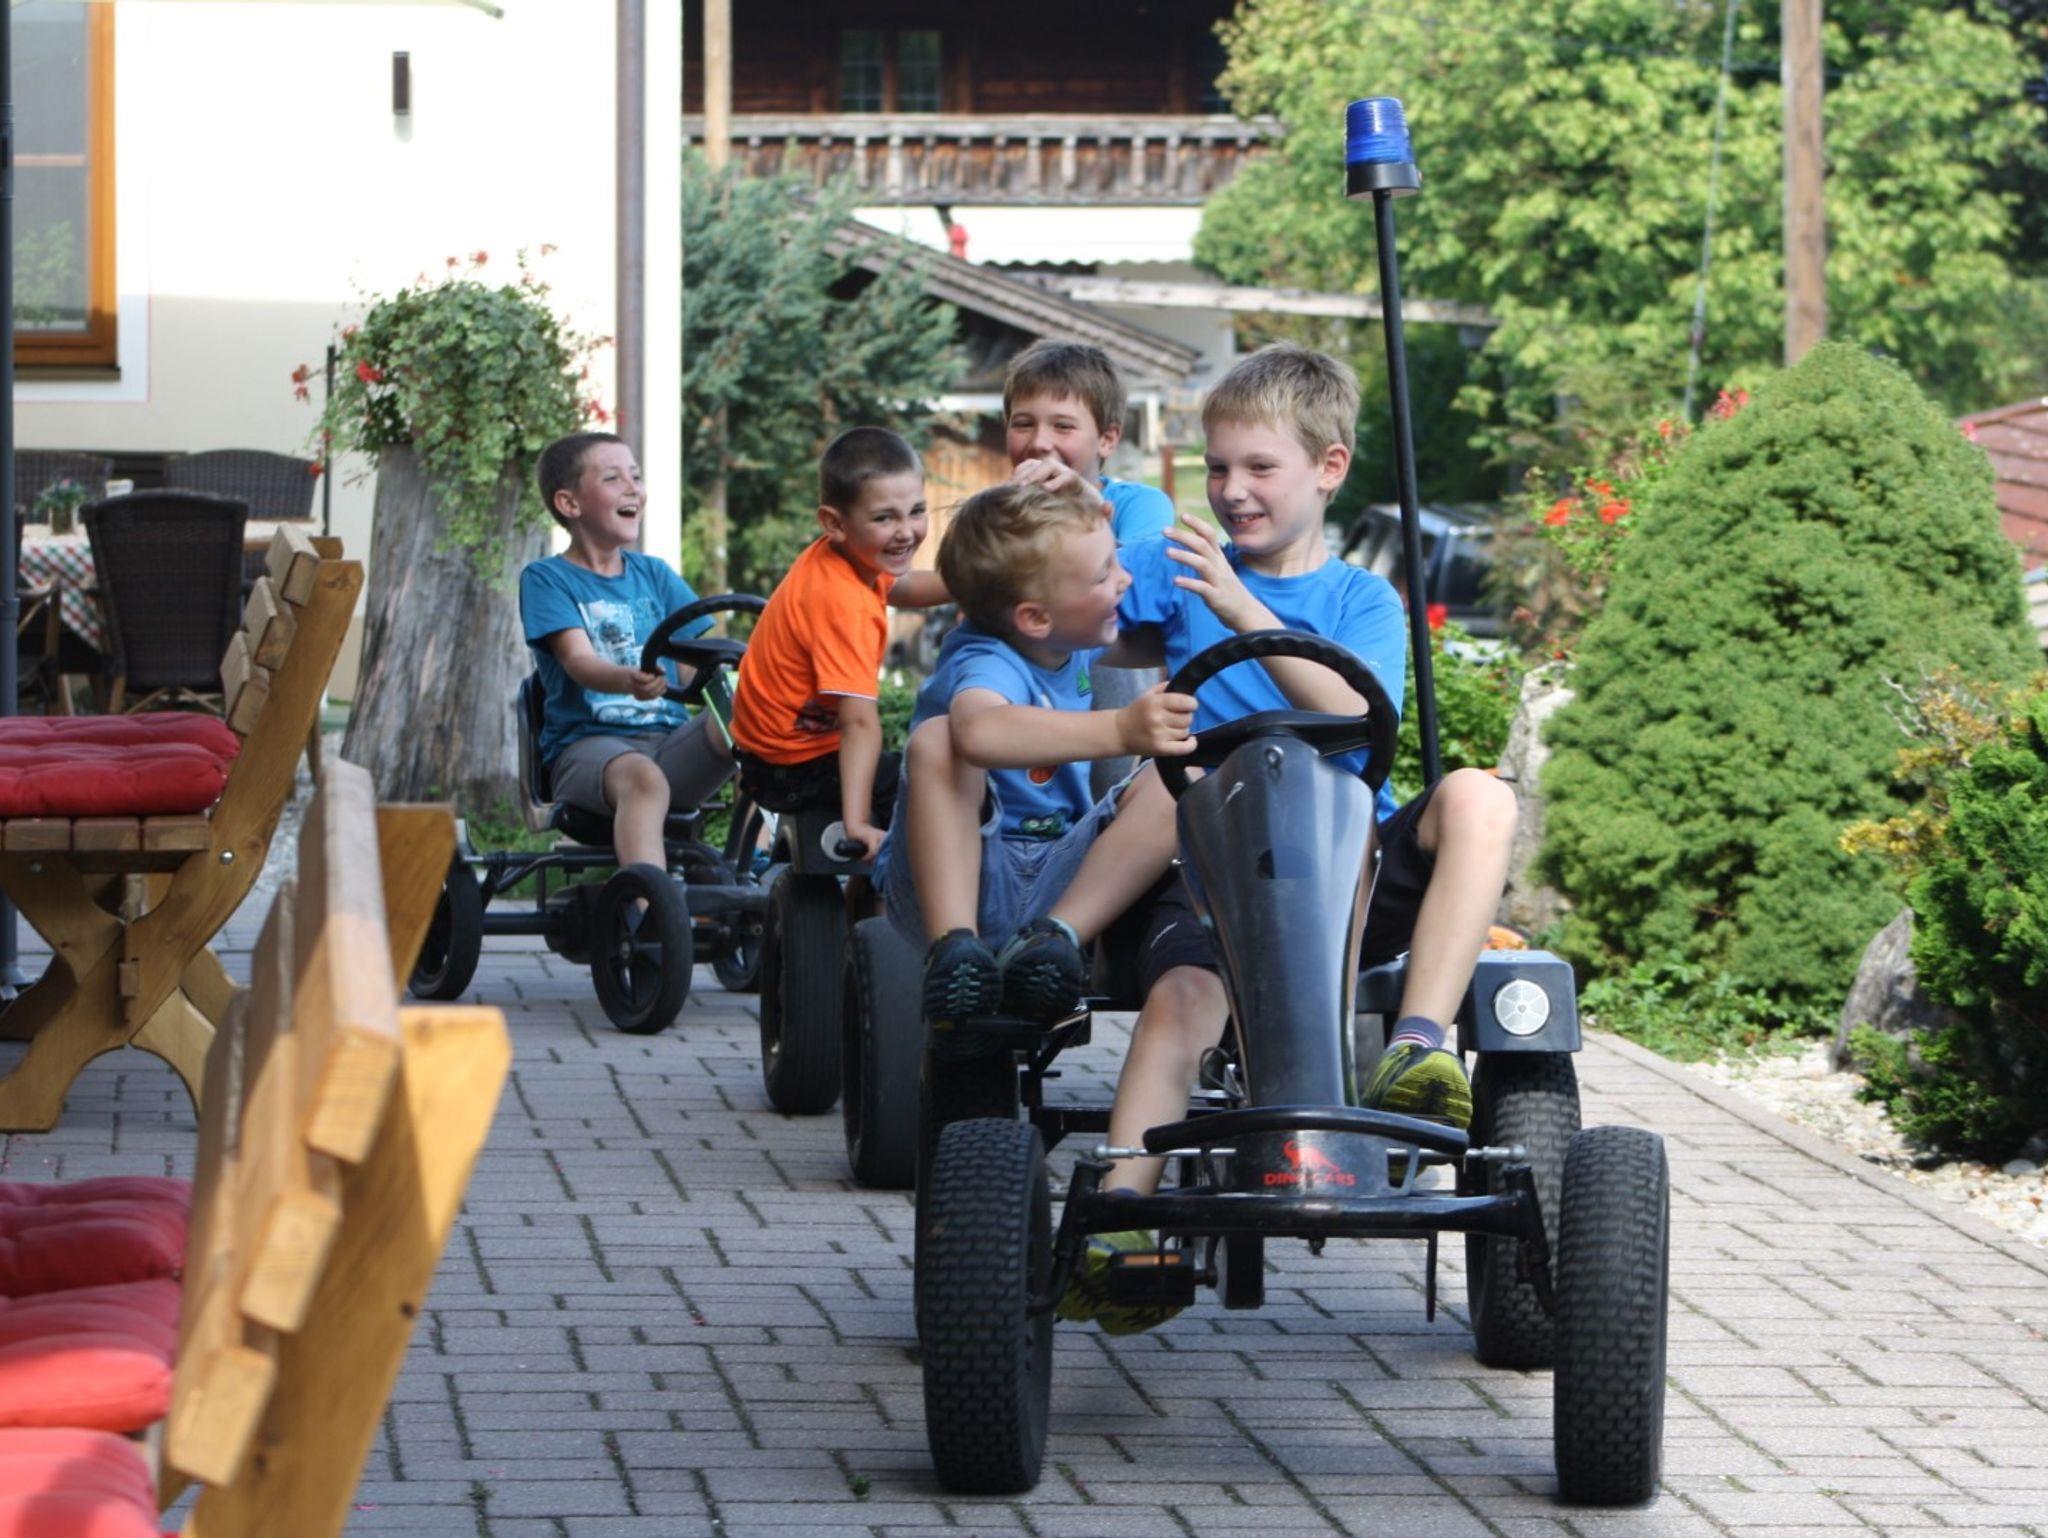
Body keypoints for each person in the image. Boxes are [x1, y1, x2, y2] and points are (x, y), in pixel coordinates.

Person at [1059, 342, 1519, 1333]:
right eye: (1218, 467)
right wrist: (1068, 512)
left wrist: (1238, 606)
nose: (1232, 491)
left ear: (1328, 467)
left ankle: (1416, 1047)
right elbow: (1068, 608)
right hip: (1213, 869)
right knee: (1179, 999)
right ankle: (1124, 1214)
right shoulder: (1179, 571)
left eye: (1259, 467)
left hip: (1348, 870)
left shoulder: (1359, 599)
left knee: (1481, 797)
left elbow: (1354, 710)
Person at [875, 478, 1198, 1034]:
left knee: (1181, 777)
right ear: (1036, 618)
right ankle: (955, 952)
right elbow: (979, 730)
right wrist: (1121, 728)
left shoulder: (1069, 643)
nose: (1124, 579)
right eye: (1104, 574)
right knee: (939, 740)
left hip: (1056, 869)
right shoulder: (987, 658)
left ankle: (1054, 942)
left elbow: (1179, 644)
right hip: (960, 876)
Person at [519, 432, 734, 876]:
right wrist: (626, 680)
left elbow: (697, 665)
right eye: (613, 478)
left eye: (635, 476)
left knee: (755, 723)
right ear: (569, 503)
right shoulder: (547, 578)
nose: (633, 488)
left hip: (670, 745)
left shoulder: (655, 574)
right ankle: (649, 903)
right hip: (587, 748)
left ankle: (756, 870)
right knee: (643, 778)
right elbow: (578, 662)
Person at [728, 427, 947, 860]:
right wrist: (857, 825)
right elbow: (859, 724)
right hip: (793, 764)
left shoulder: (845, 558)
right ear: (834, 523)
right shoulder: (844, 603)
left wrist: (975, 585)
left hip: (771, 753)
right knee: (941, 783)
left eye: (916, 511)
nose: (906, 531)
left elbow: (901, 587)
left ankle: (868, 890)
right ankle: (898, 888)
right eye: (885, 518)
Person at [1000, 338, 1175, 545]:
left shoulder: (1140, 505)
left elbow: (1139, 564)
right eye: (1023, 424)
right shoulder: (996, 516)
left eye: (1063, 426)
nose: (1039, 443)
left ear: (1107, 440)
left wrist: (1090, 509)